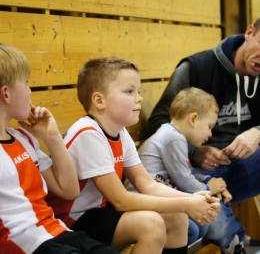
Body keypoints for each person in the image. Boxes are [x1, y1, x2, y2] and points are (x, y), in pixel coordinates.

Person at [45, 56, 221, 254]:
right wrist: (186, 203)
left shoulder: (120, 132)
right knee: (151, 225)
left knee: (176, 216)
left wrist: (191, 198)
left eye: (138, 91)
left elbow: (146, 184)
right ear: (99, 100)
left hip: (97, 213)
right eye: (129, 91)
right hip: (69, 222)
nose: (139, 98)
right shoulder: (87, 133)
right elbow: (120, 200)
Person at [0, 43, 120, 254]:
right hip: (24, 243)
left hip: (57, 233)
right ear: (6, 94)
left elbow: (69, 190)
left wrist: (52, 137)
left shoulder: (24, 138)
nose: (30, 91)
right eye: (26, 83)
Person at [147, 18, 260, 205]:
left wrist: (257, 132)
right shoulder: (197, 66)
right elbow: (157, 123)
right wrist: (194, 151)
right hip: (196, 173)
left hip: (244, 168)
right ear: (249, 33)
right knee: (214, 222)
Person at [126, 87, 246, 254]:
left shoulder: (175, 136)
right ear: (194, 119)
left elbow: (186, 170)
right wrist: (208, 190)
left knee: (200, 228)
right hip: (144, 201)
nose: (210, 134)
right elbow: (183, 179)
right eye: (209, 126)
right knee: (193, 229)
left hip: (160, 200)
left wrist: (207, 180)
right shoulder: (172, 138)